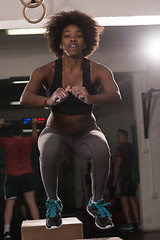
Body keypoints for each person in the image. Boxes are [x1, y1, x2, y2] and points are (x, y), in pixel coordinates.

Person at [20, 10, 122, 230]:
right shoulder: (45, 70)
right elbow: (25, 98)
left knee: (102, 149)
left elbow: (116, 96)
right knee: (46, 149)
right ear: (59, 42)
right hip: (56, 132)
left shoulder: (98, 70)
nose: (73, 39)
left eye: (78, 35)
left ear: (86, 42)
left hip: (86, 131)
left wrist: (91, 96)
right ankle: (52, 202)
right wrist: (49, 101)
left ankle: (95, 202)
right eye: (67, 35)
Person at [0, 118, 39, 240]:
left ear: (11, 131)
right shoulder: (28, 141)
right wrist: (33, 124)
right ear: (22, 130)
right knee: (31, 202)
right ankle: (38, 229)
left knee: (10, 204)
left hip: (12, 175)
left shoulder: (7, 141)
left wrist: (0, 125)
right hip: (27, 174)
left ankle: (7, 232)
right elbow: (35, 137)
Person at [112, 129, 140, 231]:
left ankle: (129, 222)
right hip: (132, 177)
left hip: (123, 178)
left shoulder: (120, 149)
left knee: (124, 199)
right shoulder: (132, 147)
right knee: (132, 198)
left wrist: (114, 179)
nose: (117, 138)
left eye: (119, 136)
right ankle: (138, 221)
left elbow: (117, 165)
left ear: (124, 136)